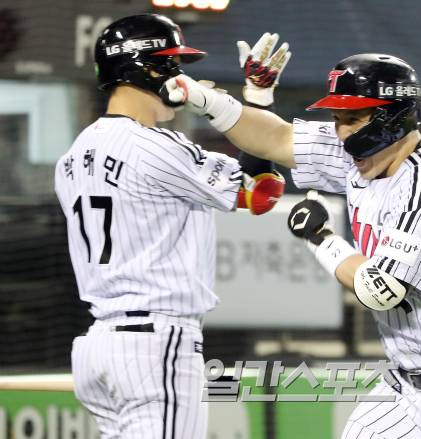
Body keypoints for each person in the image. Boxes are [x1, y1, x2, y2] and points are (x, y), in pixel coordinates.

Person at [161, 39, 421, 438]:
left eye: (353, 119)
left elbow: (382, 290)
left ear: (393, 117)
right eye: (338, 119)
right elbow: (275, 139)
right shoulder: (363, 156)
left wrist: (320, 237)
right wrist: (207, 98)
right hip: (406, 388)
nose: (341, 132)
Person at [54, 15, 285, 439]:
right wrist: (258, 102)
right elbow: (261, 193)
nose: (179, 76)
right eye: (170, 64)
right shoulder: (156, 147)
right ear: (144, 68)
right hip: (154, 342)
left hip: (98, 345)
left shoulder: (72, 155)